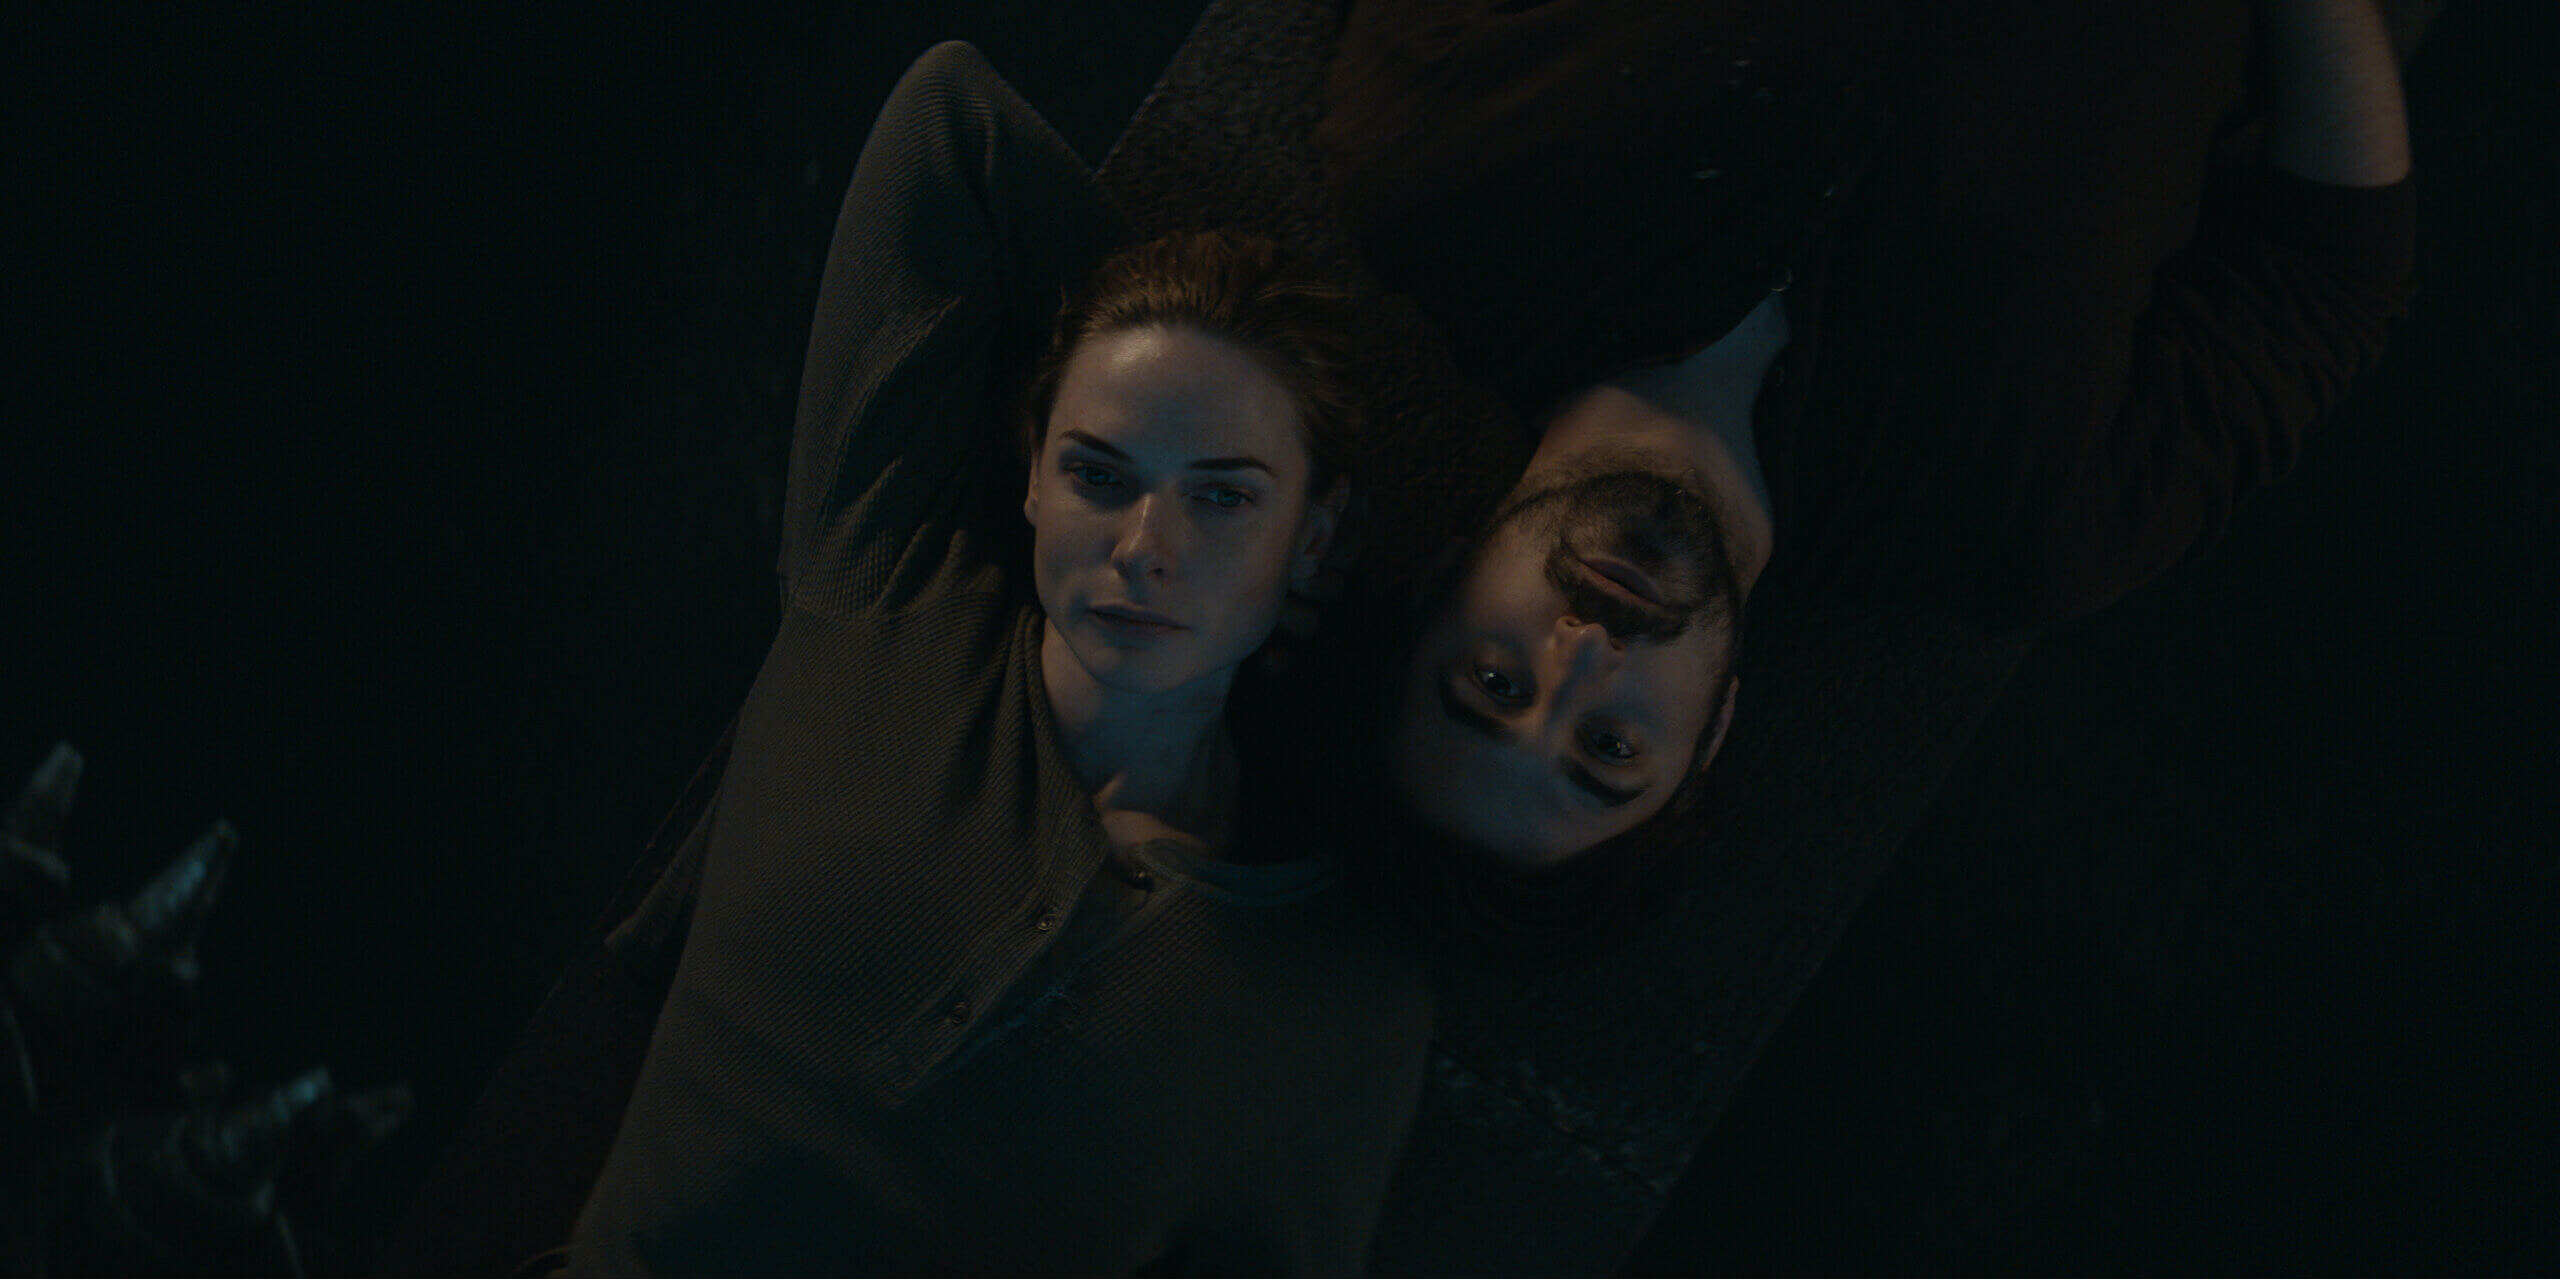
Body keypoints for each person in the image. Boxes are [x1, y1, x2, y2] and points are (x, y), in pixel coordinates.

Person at [559, 42, 1430, 1275]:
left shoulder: (1342, 1001)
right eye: (1098, 472)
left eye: (1223, 497)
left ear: (1317, 532)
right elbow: (947, 126)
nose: (1144, 547)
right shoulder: (888, 587)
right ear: (1030, 473)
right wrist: (1140, 337)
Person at [1312, 0, 2418, 882]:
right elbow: (2330, 274)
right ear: (1713, 731)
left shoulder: (1436, 191)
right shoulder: (2025, 526)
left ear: (1439, 586)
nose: (1582, 655)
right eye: (1609, 748)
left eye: (1494, 680)